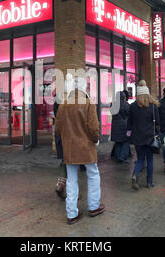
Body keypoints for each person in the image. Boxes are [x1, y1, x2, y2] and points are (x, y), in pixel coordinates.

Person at [55, 77, 104, 225]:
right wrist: (95, 140)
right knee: (93, 175)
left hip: (70, 148)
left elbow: (58, 128)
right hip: (86, 147)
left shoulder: (63, 105)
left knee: (71, 180)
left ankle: (71, 214)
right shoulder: (88, 104)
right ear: (84, 88)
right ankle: (94, 206)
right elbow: (94, 128)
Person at [127, 80, 160, 190]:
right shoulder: (153, 107)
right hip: (150, 137)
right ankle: (149, 182)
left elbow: (129, 122)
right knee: (150, 160)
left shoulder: (132, 107)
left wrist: (128, 132)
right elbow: (158, 122)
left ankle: (135, 176)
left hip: (137, 137)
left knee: (140, 159)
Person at [110, 91, 130, 163]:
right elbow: (129, 114)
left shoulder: (113, 104)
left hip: (115, 126)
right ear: (123, 97)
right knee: (126, 141)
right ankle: (123, 156)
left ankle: (118, 157)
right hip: (124, 126)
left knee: (118, 142)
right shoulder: (127, 105)